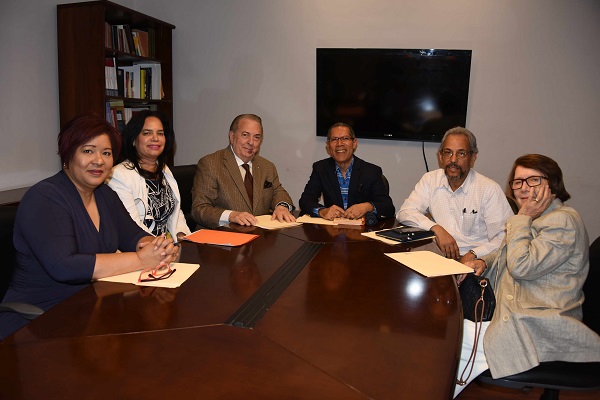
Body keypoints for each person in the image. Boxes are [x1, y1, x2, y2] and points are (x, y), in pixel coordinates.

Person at [0, 115, 178, 340]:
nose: (99, 161)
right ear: (68, 155)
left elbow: (132, 235)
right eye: (88, 151)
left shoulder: (105, 194)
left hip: (90, 309)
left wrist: (158, 247)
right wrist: (143, 260)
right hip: (39, 321)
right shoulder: (45, 197)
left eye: (106, 153)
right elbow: (65, 266)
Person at [453, 154, 600, 397]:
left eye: (532, 180)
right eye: (517, 182)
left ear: (551, 184)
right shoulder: (537, 218)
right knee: (452, 334)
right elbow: (508, 254)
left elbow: (522, 266)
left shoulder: (562, 221)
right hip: (521, 310)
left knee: (451, 343)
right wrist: (482, 261)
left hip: (541, 320)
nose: (523, 188)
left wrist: (521, 219)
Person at [397, 127, 512, 262]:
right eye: (448, 153)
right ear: (440, 156)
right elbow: (404, 212)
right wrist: (436, 229)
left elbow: (505, 236)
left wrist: (474, 253)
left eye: (461, 153)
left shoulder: (489, 189)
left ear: (472, 158)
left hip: (475, 260)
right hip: (438, 254)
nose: (453, 160)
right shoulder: (430, 180)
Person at [191, 114, 295, 229]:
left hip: (258, 237)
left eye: (256, 137)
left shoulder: (267, 166)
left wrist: (281, 206)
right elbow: (199, 209)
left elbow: (278, 192)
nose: (251, 142)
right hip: (221, 237)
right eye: (245, 135)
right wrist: (231, 215)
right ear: (232, 136)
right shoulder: (210, 164)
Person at [107, 110, 191, 241]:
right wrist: (162, 247)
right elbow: (131, 227)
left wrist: (182, 236)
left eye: (160, 133)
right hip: (141, 249)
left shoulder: (163, 169)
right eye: (147, 133)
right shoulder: (119, 175)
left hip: (168, 247)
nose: (155, 138)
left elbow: (176, 211)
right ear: (134, 140)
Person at [299, 122, 395, 220]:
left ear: (354, 143)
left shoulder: (371, 171)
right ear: (328, 146)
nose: (339, 144)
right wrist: (322, 211)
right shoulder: (320, 168)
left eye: (345, 138)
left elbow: (388, 207)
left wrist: (367, 207)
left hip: (362, 232)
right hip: (332, 231)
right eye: (334, 139)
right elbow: (306, 200)